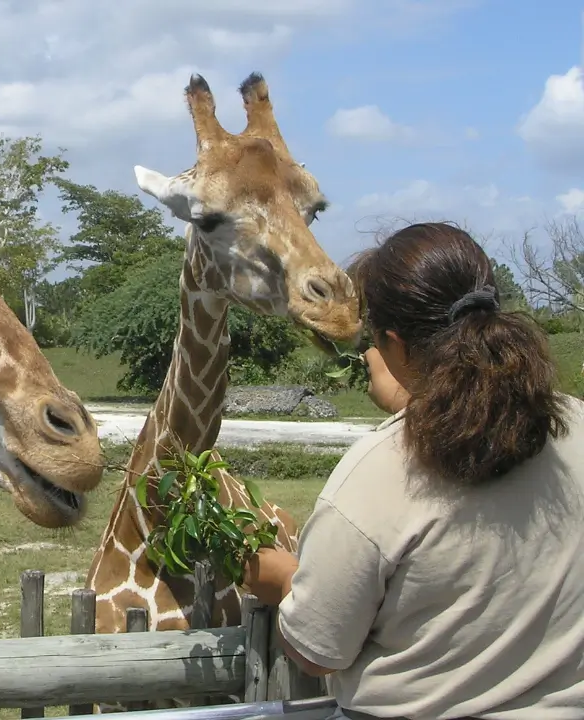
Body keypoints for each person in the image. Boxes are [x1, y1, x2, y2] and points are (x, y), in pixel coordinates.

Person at [242, 222, 584, 719]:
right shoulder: (573, 421)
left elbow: (316, 652)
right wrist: (411, 403)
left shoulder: (374, 475)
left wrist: (284, 580)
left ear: (395, 344)